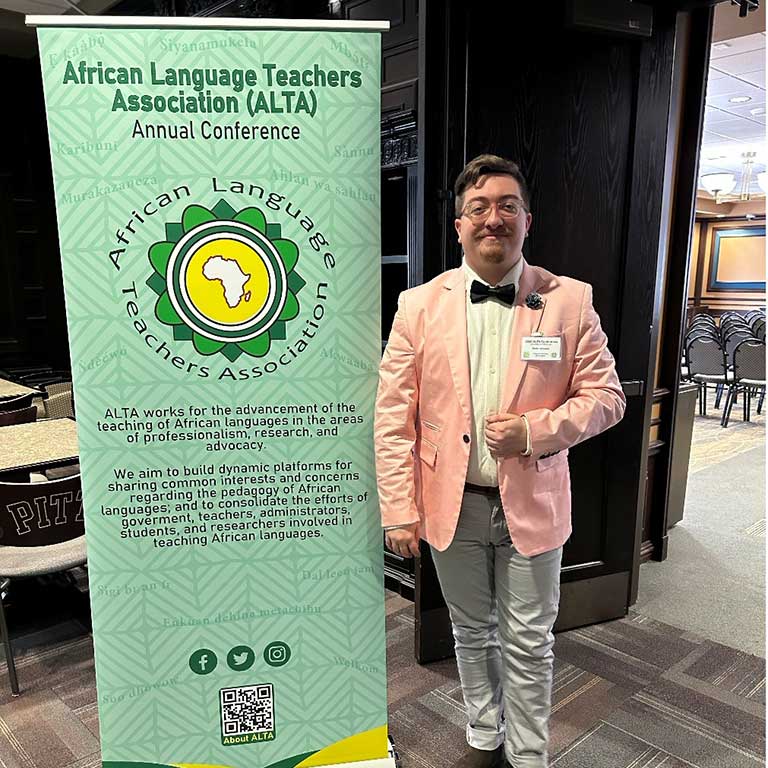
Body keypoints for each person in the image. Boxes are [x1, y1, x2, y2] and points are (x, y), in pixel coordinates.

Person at [374, 154, 626, 768]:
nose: (494, 218)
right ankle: (485, 734)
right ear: (459, 225)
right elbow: (392, 416)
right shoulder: (419, 305)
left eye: (507, 206)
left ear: (527, 220)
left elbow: (608, 398)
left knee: (530, 640)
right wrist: (398, 511)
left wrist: (537, 430)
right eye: (479, 208)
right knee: (470, 631)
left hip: (532, 504)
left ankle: (529, 753)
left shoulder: (569, 302)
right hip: (449, 505)